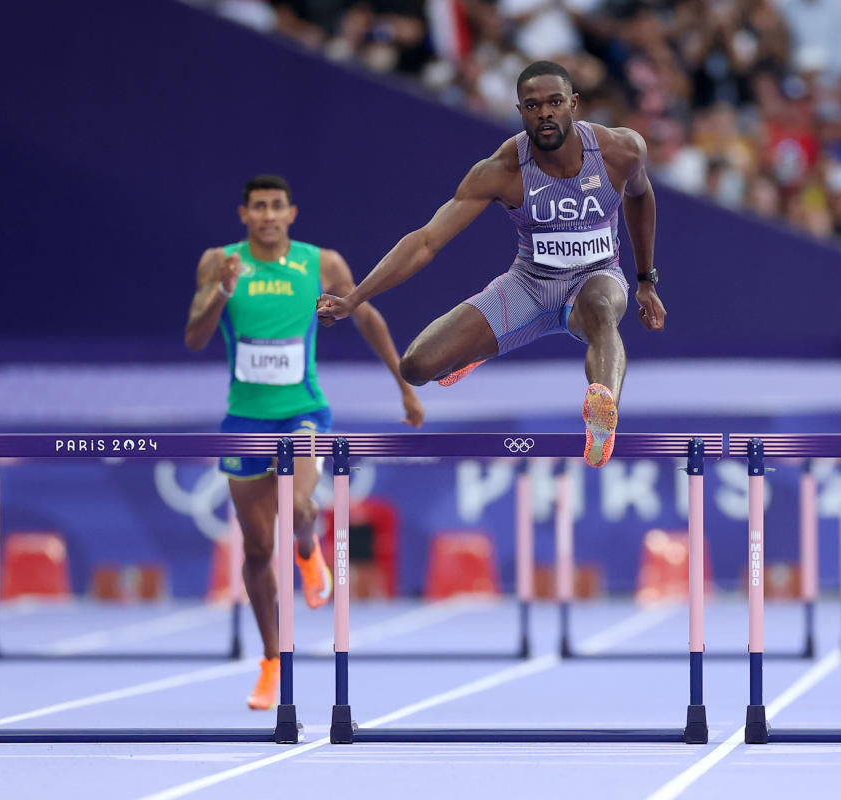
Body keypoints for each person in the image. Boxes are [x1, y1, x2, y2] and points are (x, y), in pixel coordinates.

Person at [316, 60, 666, 468]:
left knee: (602, 312)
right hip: (530, 286)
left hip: (596, 277)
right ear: (520, 112)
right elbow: (426, 241)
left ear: (573, 104)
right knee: (416, 366)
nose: (545, 113)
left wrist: (645, 280)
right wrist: (354, 298)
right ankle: (483, 346)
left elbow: (641, 196)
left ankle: (602, 421)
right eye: (532, 105)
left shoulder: (619, 150)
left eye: (555, 102)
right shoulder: (502, 170)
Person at [185, 174, 424, 709]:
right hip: (244, 421)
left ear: (291, 214)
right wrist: (221, 292)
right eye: (258, 208)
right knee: (254, 547)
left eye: (276, 207)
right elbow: (195, 337)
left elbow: (369, 319)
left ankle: (309, 550)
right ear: (243, 215)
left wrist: (403, 386)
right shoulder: (219, 262)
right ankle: (271, 660)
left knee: (298, 505)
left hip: (304, 412)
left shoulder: (323, 263)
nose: (268, 215)